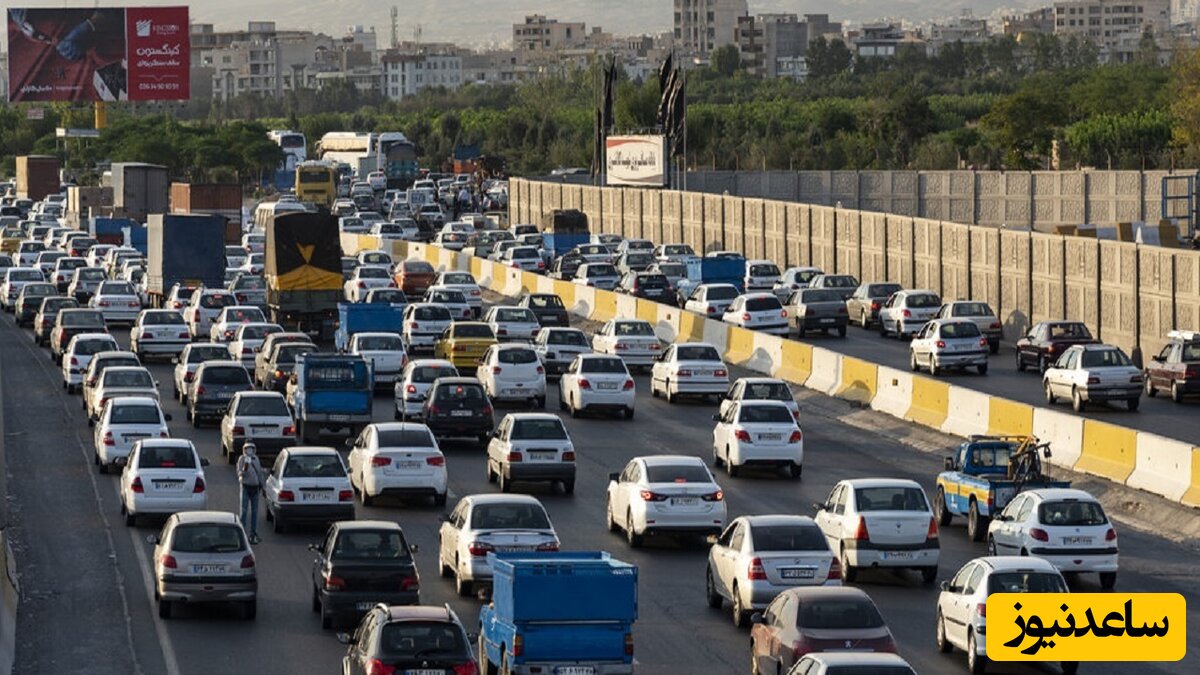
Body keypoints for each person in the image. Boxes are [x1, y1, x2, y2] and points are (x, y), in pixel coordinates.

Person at [236, 441, 266, 544]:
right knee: (243, 511)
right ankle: (241, 534)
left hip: (255, 488)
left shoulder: (256, 459)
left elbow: (259, 473)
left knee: (254, 512)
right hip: (245, 487)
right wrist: (245, 468)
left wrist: (263, 486)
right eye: (248, 448)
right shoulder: (242, 459)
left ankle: (253, 534)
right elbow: (239, 473)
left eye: (252, 448)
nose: (250, 450)